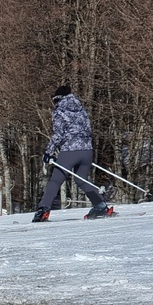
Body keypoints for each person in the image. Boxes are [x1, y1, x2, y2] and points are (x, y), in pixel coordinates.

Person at [33, 85, 113, 222]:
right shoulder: (81, 110)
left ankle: (43, 209)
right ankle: (100, 205)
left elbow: (58, 134)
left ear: (58, 99)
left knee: (55, 180)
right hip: (87, 150)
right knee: (81, 179)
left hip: (70, 151)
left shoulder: (59, 111)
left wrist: (48, 152)